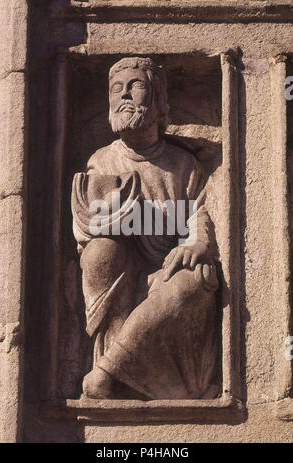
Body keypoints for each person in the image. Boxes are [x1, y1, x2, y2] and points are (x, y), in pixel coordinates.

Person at [71, 57, 219, 400]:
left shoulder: (183, 165)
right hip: (125, 272)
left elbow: (199, 213)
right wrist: (112, 220)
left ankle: (106, 371)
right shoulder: (102, 161)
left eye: (136, 87)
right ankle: (114, 367)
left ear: (157, 101)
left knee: (192, 282)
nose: (125, 96)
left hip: (168, 273)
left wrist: (195, 244)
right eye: (117, 89)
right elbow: (91, 219)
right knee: (100, 251)